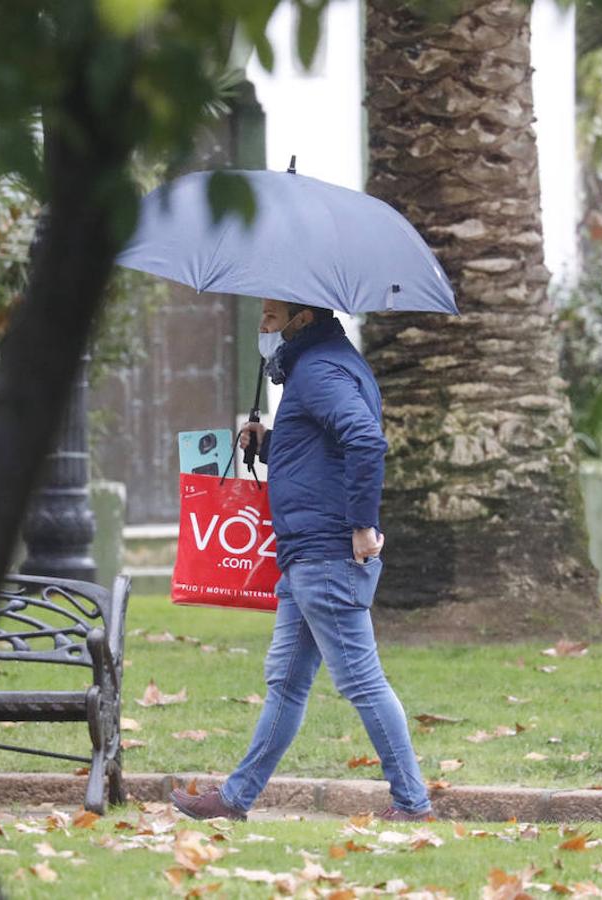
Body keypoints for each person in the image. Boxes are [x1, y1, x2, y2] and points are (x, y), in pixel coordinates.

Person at [171, 299, 434, 823]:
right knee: (286, 683)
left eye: (270, 317)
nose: (263, 328)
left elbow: (363, 440)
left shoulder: (317, 371)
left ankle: (412, 802)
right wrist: (269, 443)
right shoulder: (325, 364)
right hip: (306, 557)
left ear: (303, 319)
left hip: (326, 555)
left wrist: (362, 524)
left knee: (361, 680)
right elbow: (323, 450)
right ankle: (234, 799)